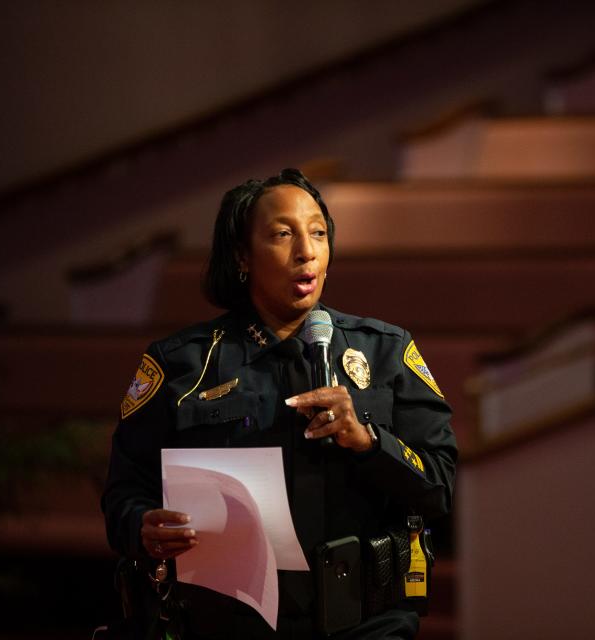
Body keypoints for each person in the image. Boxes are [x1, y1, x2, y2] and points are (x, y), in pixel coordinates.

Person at [101, 168, 457, 639]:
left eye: (318, 233)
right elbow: (125, 492)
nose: (306, 252)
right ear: (242, 256)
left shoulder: (385, 351)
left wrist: (368, 441)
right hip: (228, 623)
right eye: (283, 234)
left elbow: (440, 485)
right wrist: (142, 528)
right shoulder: (181, 364)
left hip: (368, 622)